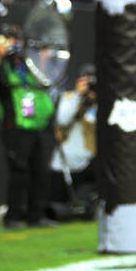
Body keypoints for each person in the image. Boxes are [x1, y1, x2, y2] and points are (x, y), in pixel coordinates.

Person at [0, 25, 57, 229]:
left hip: (39, 125)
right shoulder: (2, 65)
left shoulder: (30, 64)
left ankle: (37, 215)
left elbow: (48, 80)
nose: (15, 44)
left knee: (41, 171)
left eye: (17, 40)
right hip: (15, 126)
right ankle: (13, 217)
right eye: (10, 40)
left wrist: (42, 58)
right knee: (19, 172)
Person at [50, 65, 98, 220]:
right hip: (65, 167)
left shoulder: (101, 103)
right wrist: (79, 95)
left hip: (89, 163)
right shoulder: (69, 97)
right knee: (55, 208)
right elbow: (62, 120)